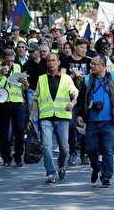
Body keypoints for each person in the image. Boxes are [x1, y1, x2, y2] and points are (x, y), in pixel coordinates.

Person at [76, 53, 114, 188]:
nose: (91, 66)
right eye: (91, 64)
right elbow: (81, 99)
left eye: (94, 64)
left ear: (103, 65)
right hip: (92, 121)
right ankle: (96, 167)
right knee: (90, 149)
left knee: (107, 150)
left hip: (109, 121)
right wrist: (80, 115)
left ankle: (106, 177)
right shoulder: (87, 80)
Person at [29, 53, 78, 183]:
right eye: (49, 60)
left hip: (62, 116)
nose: (51, 63)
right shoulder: (41, 79)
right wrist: (30, 116)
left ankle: (61, 165)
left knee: (64, 147)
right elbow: (36, 99)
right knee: (46, 145)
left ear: (58, 62)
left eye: (54, 60)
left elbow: (75, 94)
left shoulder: (67, 78)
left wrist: (71, 104)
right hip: (46, 117)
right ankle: (50, 172)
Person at [0, 49, 29, 167]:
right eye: (7, 61)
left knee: (20, 129)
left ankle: (18, 156)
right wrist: (0, 73)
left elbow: (24, 88)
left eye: (11, 60)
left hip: (17, 102)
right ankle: (6, 158)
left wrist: (25, 84)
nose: (9, 63)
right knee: (3, 132)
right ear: (2, 59)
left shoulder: (18, 66)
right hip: (2, 103)